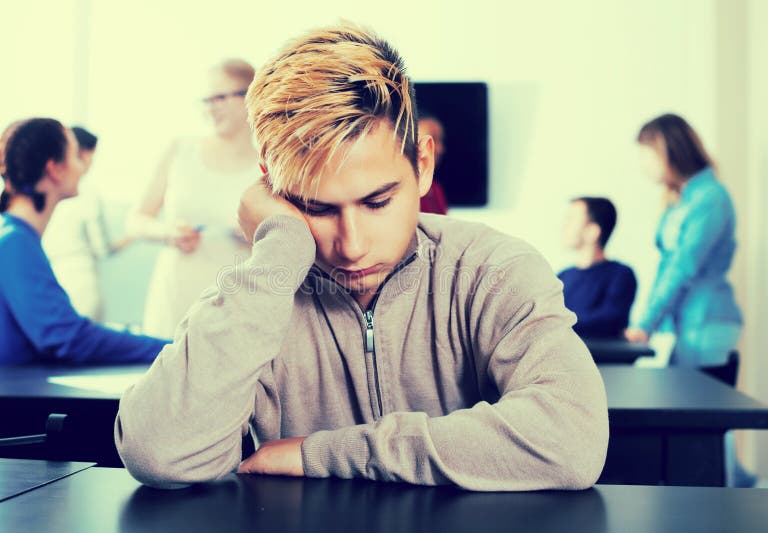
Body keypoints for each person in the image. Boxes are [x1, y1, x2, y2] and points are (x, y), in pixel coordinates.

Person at [115, 23, 608, 491]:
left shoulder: (494, 270)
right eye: (315, 208)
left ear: (423, 165)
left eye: (377, 202)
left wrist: (326, 453)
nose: (351, 246)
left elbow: (572, 439)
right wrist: (281, 242)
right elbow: (159, 452)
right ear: (272, 190)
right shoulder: (260, 290)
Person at [0, 118, 169, 368]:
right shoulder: (13, 244)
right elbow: (67, 338)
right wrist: (167, 349)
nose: (81, 167)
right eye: (75, 156)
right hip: (1, 403)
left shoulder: (15, 239)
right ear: (54, 169)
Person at [625, 113, 753, 487]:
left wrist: (644, 323)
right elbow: (668, 266)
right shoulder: (684, 197)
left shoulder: (710, 197)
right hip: (688, 323)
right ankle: (736, 488)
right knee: (699, 418)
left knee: (705, 419)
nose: (643, 166)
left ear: (670, 151)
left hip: (709, 321)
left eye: (648, 155)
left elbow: (683, 265)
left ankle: (736, 494)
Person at [127, 59, 257, 338]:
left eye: (220, 97)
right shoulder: (180, 151)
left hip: (237, 304)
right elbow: (136, 220)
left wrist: (255, 232)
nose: (211, 107)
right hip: (175, 298)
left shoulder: (269, 165)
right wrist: (167, 233)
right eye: (205, 99)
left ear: (250, 96)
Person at [43, 126, 120, 321]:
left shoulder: (47, 191)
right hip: (82, 282)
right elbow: (102, 248)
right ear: (83, 154)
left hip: (51, 280)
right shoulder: (88, 194)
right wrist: (133, 235)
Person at [558, 197, 636, 338]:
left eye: (571, 220)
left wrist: (557, 322)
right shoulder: (562, 276)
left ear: (592, 231)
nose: (564, 226)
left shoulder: (620, 275)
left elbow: (610, 320)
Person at [417, 111, 448, 214]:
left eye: (441, 140)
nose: (440, 149)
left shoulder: (436, 189)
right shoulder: (404, 191)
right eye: (433, 138)